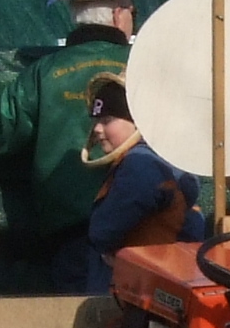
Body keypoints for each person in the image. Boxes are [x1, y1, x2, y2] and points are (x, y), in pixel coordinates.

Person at [0, 0, 142, 290]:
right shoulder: (146, 65)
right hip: (145, 230)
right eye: (132, 11)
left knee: (78, 319)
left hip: (70, 237)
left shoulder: (43, 72)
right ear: (118, 15)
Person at [78, 80, 209, 293]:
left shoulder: (140, 164)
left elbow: (103, 230)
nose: (98, 129)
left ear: (137, 121)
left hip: (134, 288)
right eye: (97, 121)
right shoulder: (164, 158)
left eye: (107, 120)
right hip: (161, 280)